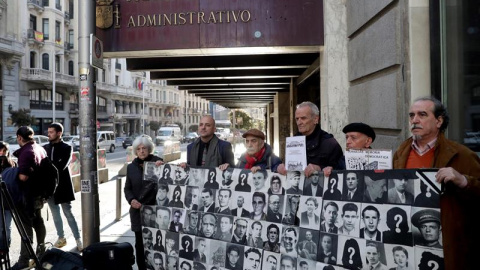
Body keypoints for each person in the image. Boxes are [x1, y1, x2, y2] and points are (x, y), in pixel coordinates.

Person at [393, 96, 480, 269]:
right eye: (411, 115)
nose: (415, 120)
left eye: (422, 114)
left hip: (447, 244)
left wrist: (463, 180)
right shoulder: (400, 153)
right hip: (410, 240)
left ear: (439, 121)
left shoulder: (461, 154)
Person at [11, 126, 49, 269]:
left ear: (19, 137)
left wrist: (12, 172)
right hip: (38, 194)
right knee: (38, 222)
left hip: (27, 195)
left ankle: (24, 260)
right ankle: (41, 250)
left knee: (25, 226)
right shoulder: (39, 148)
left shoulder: (27, 152)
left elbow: (23, 176)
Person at [44, 123, 83, 251]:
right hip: (50, 187)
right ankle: (61, 238)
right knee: (55, 215)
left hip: (63, 186)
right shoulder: (45, 148)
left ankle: (78, 239)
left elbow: (61, 166)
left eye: (51, 132)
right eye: (48, 132)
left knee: (68, 213)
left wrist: (49, 165)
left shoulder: (67, 147)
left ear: (59, 133)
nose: (48, 134)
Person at [277, 101, 344, 177]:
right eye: (297, 119)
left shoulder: (329, 143)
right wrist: (280, 168)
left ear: (316, 119)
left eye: (303, 118)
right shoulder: (292, 142)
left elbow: (340, 171)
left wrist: (319, 168)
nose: (299, 122)